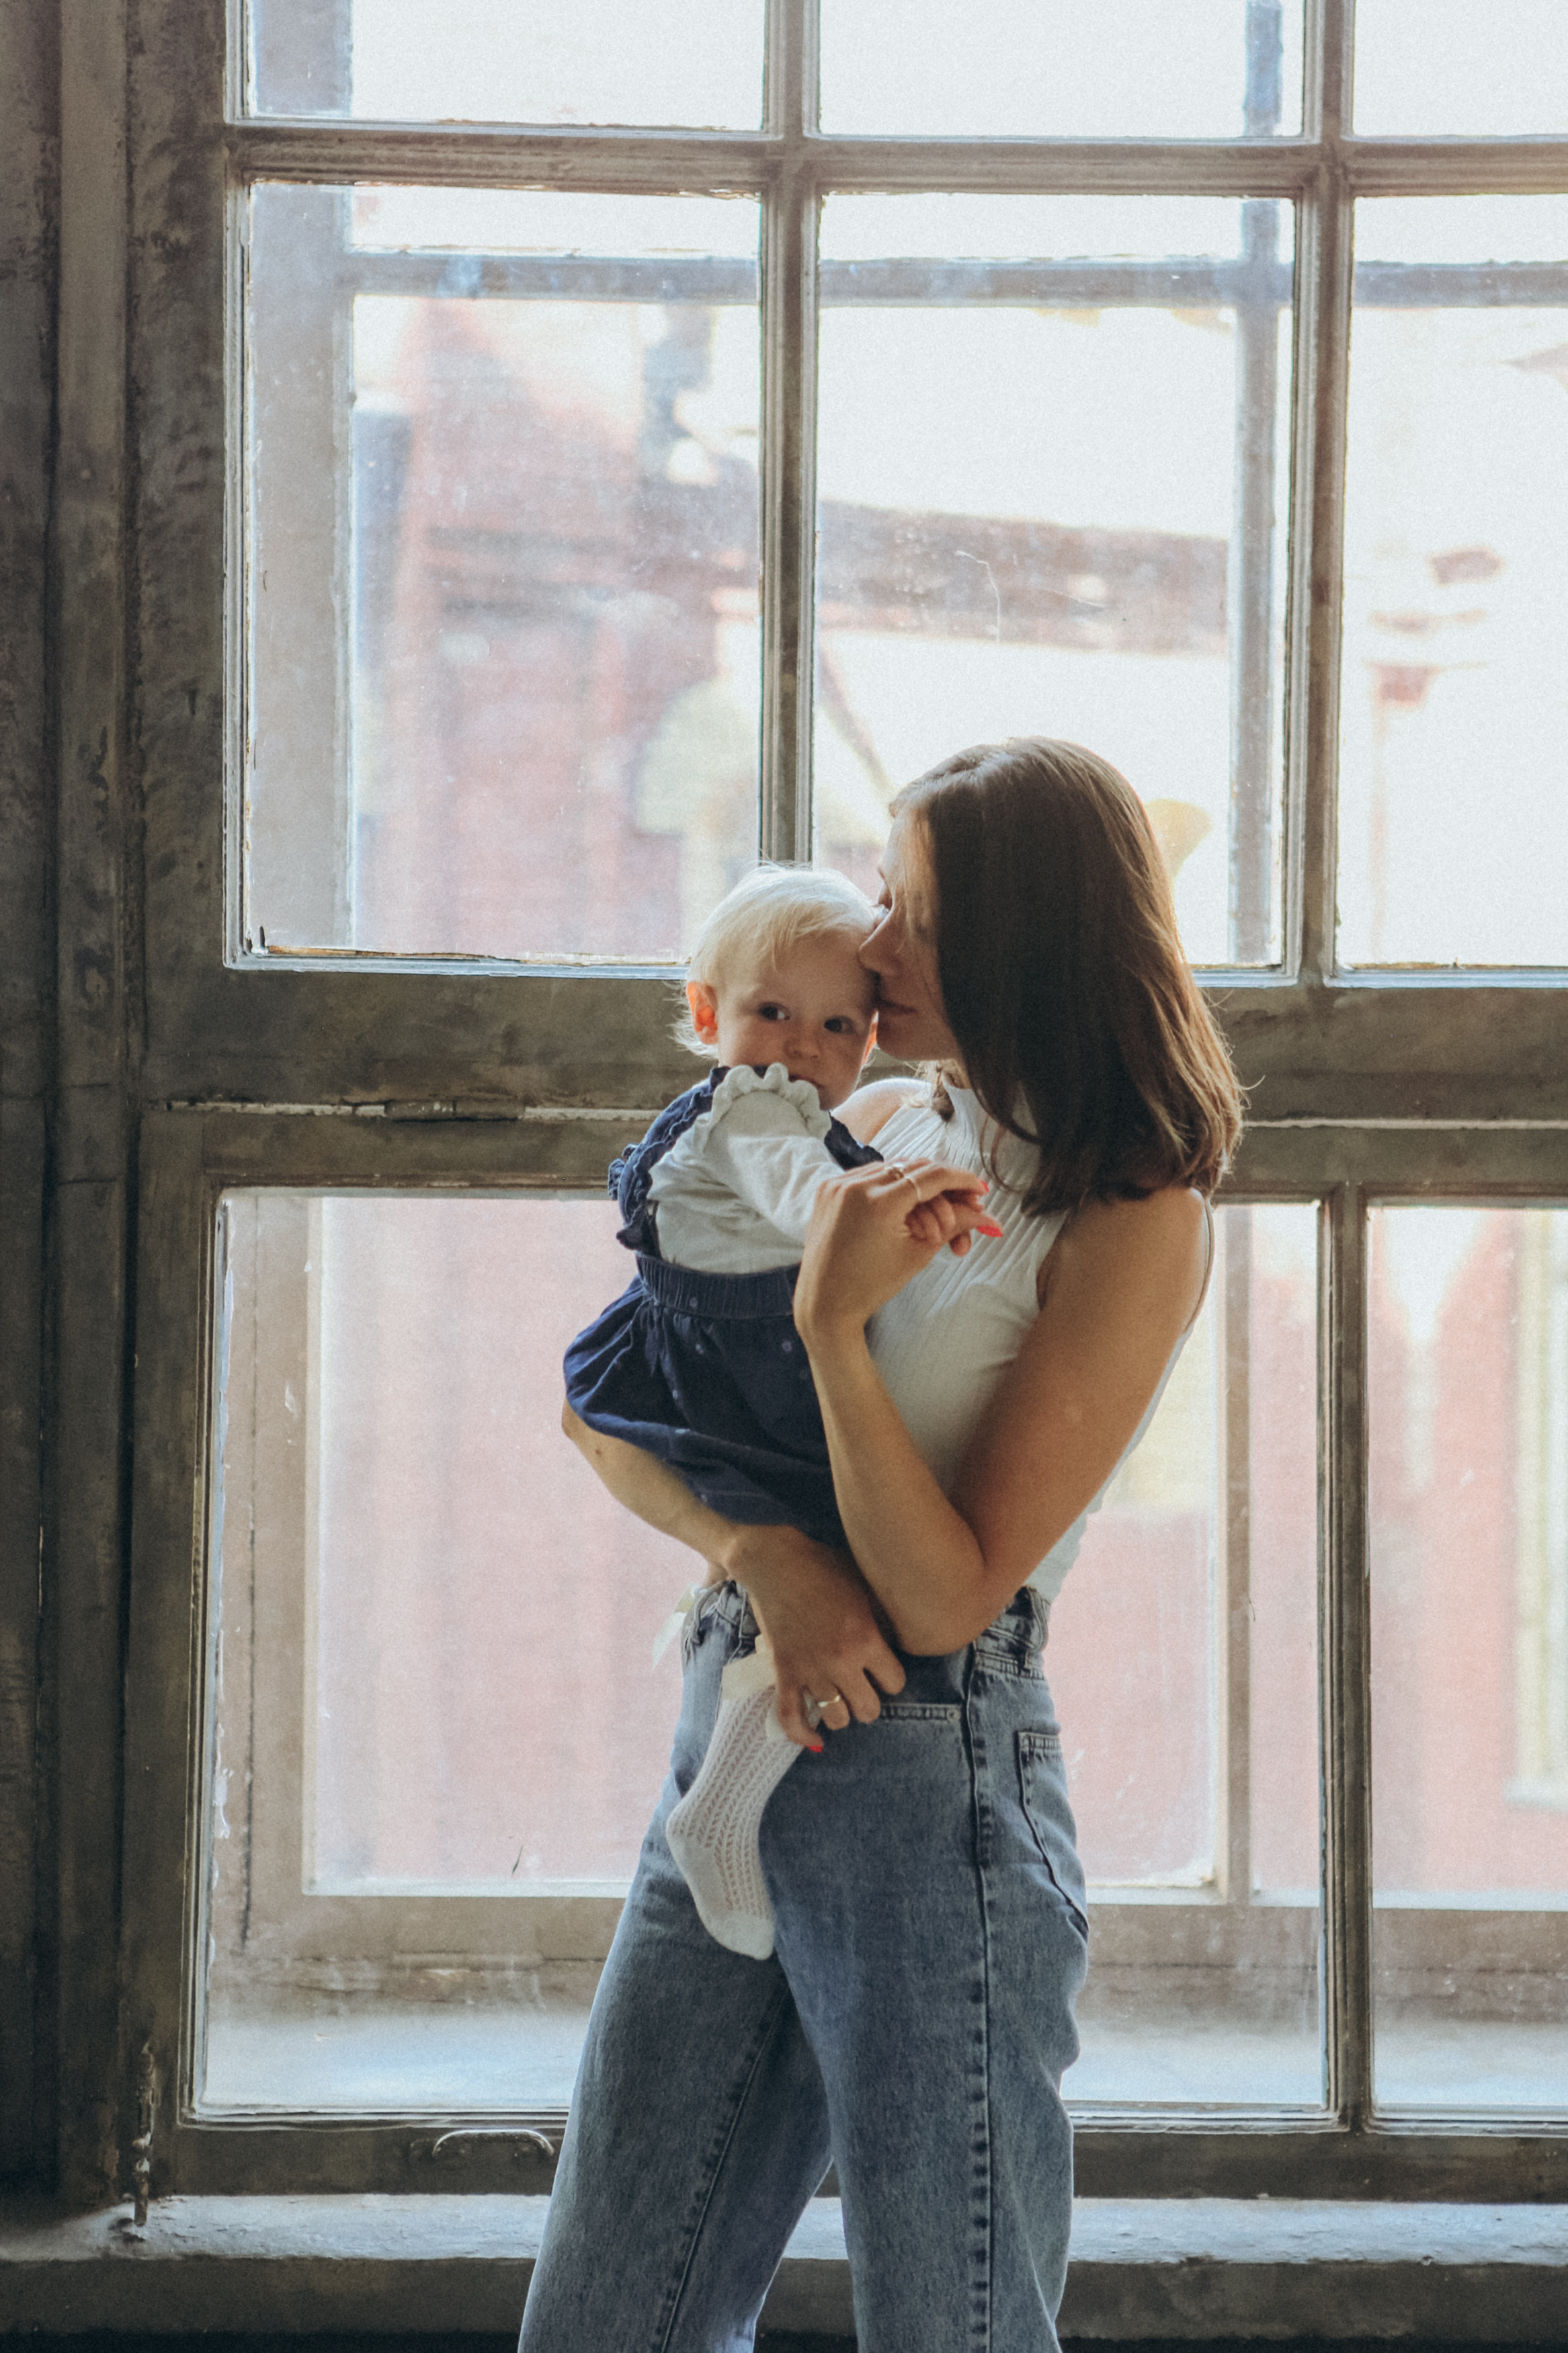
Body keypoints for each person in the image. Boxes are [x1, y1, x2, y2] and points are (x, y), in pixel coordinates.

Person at [522, 737, 1241, 2353]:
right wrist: (758, 1552)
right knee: (601, 2325)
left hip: (930, 1785)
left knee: (953, 2330)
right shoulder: (869, 1115)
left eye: (909, 904)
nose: (870, 933)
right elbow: (604, 1411)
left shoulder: (1134, 1219)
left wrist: (835, 1336)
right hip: (736, 1731)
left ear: (1020, 935)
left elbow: (942, 1588)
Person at [563, 863, 999, 1958]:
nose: (802, 1044)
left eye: (837, 1023)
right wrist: (904, 1210)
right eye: (772, 1013)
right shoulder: (756, 1112)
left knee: (830, 1595)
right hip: (749, 1377)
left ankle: (726, 1799)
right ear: (707, 1012)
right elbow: (804, 1197)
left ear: (873, 1036)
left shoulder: (819, 1111)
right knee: (856, 1561)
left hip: (727, 1358)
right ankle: (722, 1806)